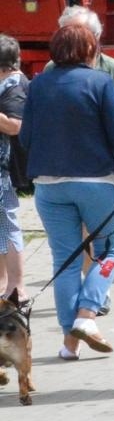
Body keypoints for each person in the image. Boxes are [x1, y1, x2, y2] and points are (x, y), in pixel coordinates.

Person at [21, 23, 114, 358]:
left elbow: (26, 137)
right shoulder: (101, 82)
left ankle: (69, 344)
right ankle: (89, 314)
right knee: (112, 250)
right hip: (95, 184)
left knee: (65, 261)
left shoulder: (38, 85)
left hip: (47, 186)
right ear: (89, 51)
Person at [0, 35, 28, 304]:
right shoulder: (7, 83)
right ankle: (5, 285)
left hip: (6, 170)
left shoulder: (15, 86)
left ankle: (17, 288)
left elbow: (14, 125)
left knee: (8, 226)